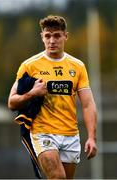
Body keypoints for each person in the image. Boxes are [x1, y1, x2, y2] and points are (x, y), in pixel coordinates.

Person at [8, 15, 97, 179]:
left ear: (65, 36)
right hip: (43, 132)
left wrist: (91, 137)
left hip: (70, 134)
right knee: (58, 177)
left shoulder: (77, 66)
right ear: (42, 37)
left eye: (56, 35)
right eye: (47, 36)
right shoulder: (29, 65)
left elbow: (88, 104)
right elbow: (12, 102)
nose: (52, 41)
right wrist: (33, 93)